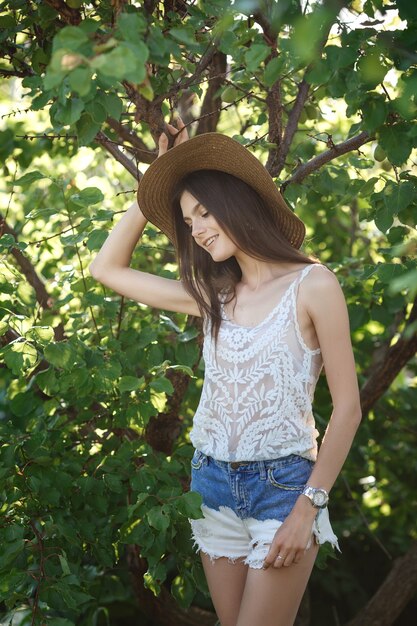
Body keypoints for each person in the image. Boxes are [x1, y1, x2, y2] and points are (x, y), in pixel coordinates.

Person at [89, 116, 362, 626]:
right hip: (211, 483)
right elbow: (106, 270)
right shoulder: (216, 296)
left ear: (238, 203)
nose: (197, 229)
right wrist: (154, 181)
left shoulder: (314, 284)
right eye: (189, 221)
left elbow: (347, 409)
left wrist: (309, 508)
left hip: (284, 488)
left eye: (206, 212)